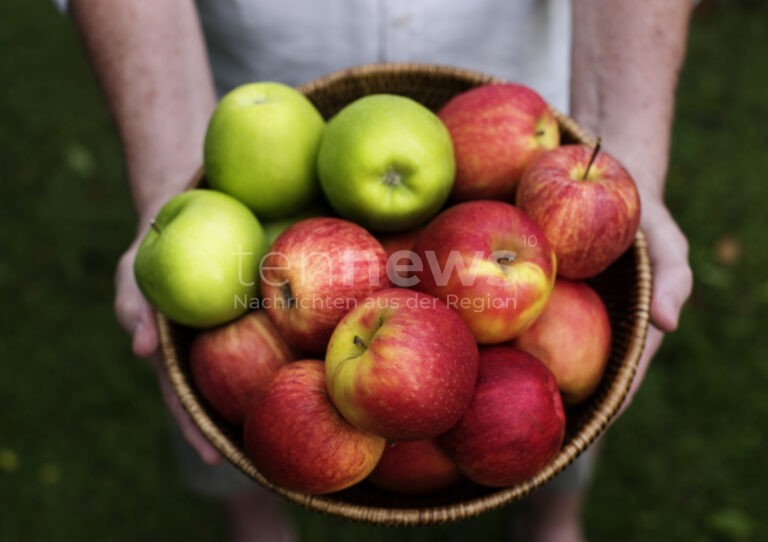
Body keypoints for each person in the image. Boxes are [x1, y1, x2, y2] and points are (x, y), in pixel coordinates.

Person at [61, 1, 694, 540]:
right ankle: (253, 516)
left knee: (542, 407)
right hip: (260, 109)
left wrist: (631, 149)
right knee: (232, 396)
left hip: (519, 97)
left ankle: (555, 515)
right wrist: (166, 178)